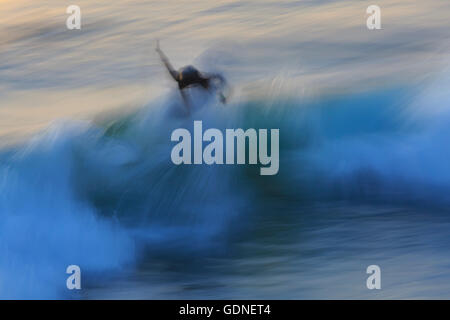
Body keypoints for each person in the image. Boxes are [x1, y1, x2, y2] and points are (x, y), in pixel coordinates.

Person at [156, 41, 228, 111]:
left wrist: (159, 52)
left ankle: (220, 90)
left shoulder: (178, 80)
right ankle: (220, 90)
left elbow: (167, 64)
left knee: (206, 82)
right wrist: (159, 52)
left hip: (191, 74)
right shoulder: (179, 79)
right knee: (207, 83)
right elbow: (167, 64)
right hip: (192, 74)